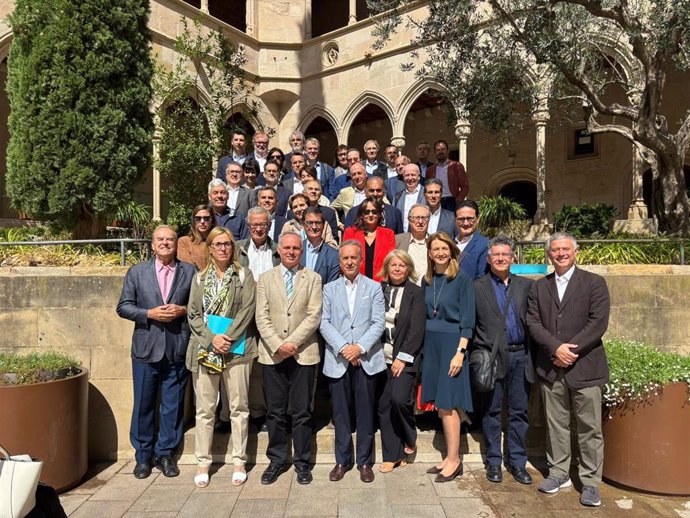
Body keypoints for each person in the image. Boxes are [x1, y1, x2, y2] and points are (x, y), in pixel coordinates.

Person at [527, 232, 610, 507]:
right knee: (556, 424)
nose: (560, 253)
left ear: (575, 251)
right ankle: (559, 472)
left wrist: (570, 351)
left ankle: (590, 482)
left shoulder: (594, 283)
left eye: (565, 249)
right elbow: (534, 323)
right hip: (552, 367)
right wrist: (556, 348)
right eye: (554, 250)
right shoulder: (540, 287)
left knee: (589, 426)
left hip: (585, 365)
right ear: (548, 255)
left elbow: (598, 323)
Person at [116, 225, 196, 479]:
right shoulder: (137, 272)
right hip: (146, 348)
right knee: (143, 404)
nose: (165, 243)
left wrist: (182, 310)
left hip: (176, 347)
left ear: (176, 244)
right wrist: (149, 313)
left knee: (172, 406)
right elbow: (123, 307)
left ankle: (166, 454)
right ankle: (143, 456)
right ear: (152, 245)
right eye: (160, 240)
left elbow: (199, 306)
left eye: (170, 239)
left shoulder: (190, 271)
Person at [186, 227, 256, 488]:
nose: (223, 248)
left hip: (236, 349)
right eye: (218, 244)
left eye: (227, 244)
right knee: (204, 409)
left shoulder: (243, 275)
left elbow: (248, 309)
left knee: (239, 407)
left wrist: (227, 337)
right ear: (210, 248)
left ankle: (239, 460)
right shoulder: (199, 278)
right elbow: (193, 313)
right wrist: (211, 338)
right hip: (206, 350)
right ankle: (203, 461)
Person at [255, 232, 323, 485]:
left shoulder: (314, 278)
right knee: (275, 411)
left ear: (301, 251)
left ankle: (302, 462)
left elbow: (314, 315)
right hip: (273, 355)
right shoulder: (265, 279)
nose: (292, 252)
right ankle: (276, 459)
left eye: (296, 248)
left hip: (303, 353)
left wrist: (293, 343)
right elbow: (261, 316)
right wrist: (278, 345)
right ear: (279, 250)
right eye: (287, 248)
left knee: (303, 411)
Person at [320, 241, 386, 483]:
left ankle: (365, 462)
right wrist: (344, 348)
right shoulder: (328, 289)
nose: (349, 262)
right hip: (338, 360)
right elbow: (324, 322)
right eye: (345, 258)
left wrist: (358, 348)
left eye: (353, 258)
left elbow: (378, 323)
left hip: (366, 359)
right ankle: (342, 460)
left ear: (360, 260)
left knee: (366, 413)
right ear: (340, 261)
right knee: (340, 414)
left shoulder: (374, 287)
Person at [474, 236, 534, 485]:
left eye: (505, 255)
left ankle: (518, 462)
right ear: (489, 259)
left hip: (521, 354)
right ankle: (494, 461)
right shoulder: (477, 287)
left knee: (519, 411)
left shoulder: (526, 286)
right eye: (496, 255)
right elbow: (471, 323)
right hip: (492, 356)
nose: (500, 258)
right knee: (492, 411)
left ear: (513, 258)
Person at [421, 231, 475, 483]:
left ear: (451, 251)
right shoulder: (427, 280)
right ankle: (448, 456)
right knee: (441, 405)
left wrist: (460, 353)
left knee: (450, 402)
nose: (440, 253)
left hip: (452, 345)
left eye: (444, 248)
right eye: (435, 249)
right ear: (430, 254)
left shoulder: (462, 280)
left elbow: (468, 321)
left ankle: (455, 460)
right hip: (431, 346)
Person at [377, 250, 425, 473]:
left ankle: (409, 435)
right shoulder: (379, 290)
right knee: (385, 406)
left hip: (404, 359)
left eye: (402, 265)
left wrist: (402, 358)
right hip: (379, 358)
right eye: (393, 265)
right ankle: (392, 455)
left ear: (408, 269)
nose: (397, 269)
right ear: (387, 268)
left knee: (399, 399)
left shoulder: (416, 293)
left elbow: (416, 330)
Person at [343, 196, 396, 281]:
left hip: (381, 283)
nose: (370, 215)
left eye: (374, 212)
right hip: (356, 281)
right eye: (367, 212)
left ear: (379, 214)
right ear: (361, 215)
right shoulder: (351, 232)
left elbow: (391, 260)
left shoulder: (388, 234)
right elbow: (344, 258)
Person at [300, 206, 340, 286]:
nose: (314, 227)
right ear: (303, 225)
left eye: (318, 223)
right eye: (310, 223)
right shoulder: (295, 249)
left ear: (324, 225)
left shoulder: (334, 255)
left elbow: (331, 288)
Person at [426, 140, 469, 211]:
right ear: (435, 152)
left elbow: (465, 186)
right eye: (438, 150)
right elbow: (427, 187)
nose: (441, 152)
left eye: (443, 149)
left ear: (448, 151)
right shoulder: (430, 170)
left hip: (452, 200)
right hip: (436, 200)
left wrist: (459, 200)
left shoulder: (456, 166)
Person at [395, 204, 430, 285]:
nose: (420, 222)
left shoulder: (435, 242)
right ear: (409, 220)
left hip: (429, 290)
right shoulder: (397, 240)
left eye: (424, 218)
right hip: (406, 290)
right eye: (417, 218)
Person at [455, 199, 489, 279]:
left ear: (477, 219)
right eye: (461, 219)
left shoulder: (484, 245)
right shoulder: (450, 243)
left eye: (470, 218)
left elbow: (482, 278)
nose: (466, 223)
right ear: (455, 221)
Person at [177, 204, 215, 270]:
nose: (202, 222)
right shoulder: (184, 242)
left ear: (212, 221)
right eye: (198, 219)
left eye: (207, 218)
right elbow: (188, 269)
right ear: (193, 221)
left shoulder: (219, 242)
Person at [394, 163, 425, 231]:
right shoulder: (397, 197)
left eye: (413, 175)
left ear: (419, 176)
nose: (410, 178)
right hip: (403, 237)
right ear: (403, 178)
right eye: (407, 175)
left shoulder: (426, 194)